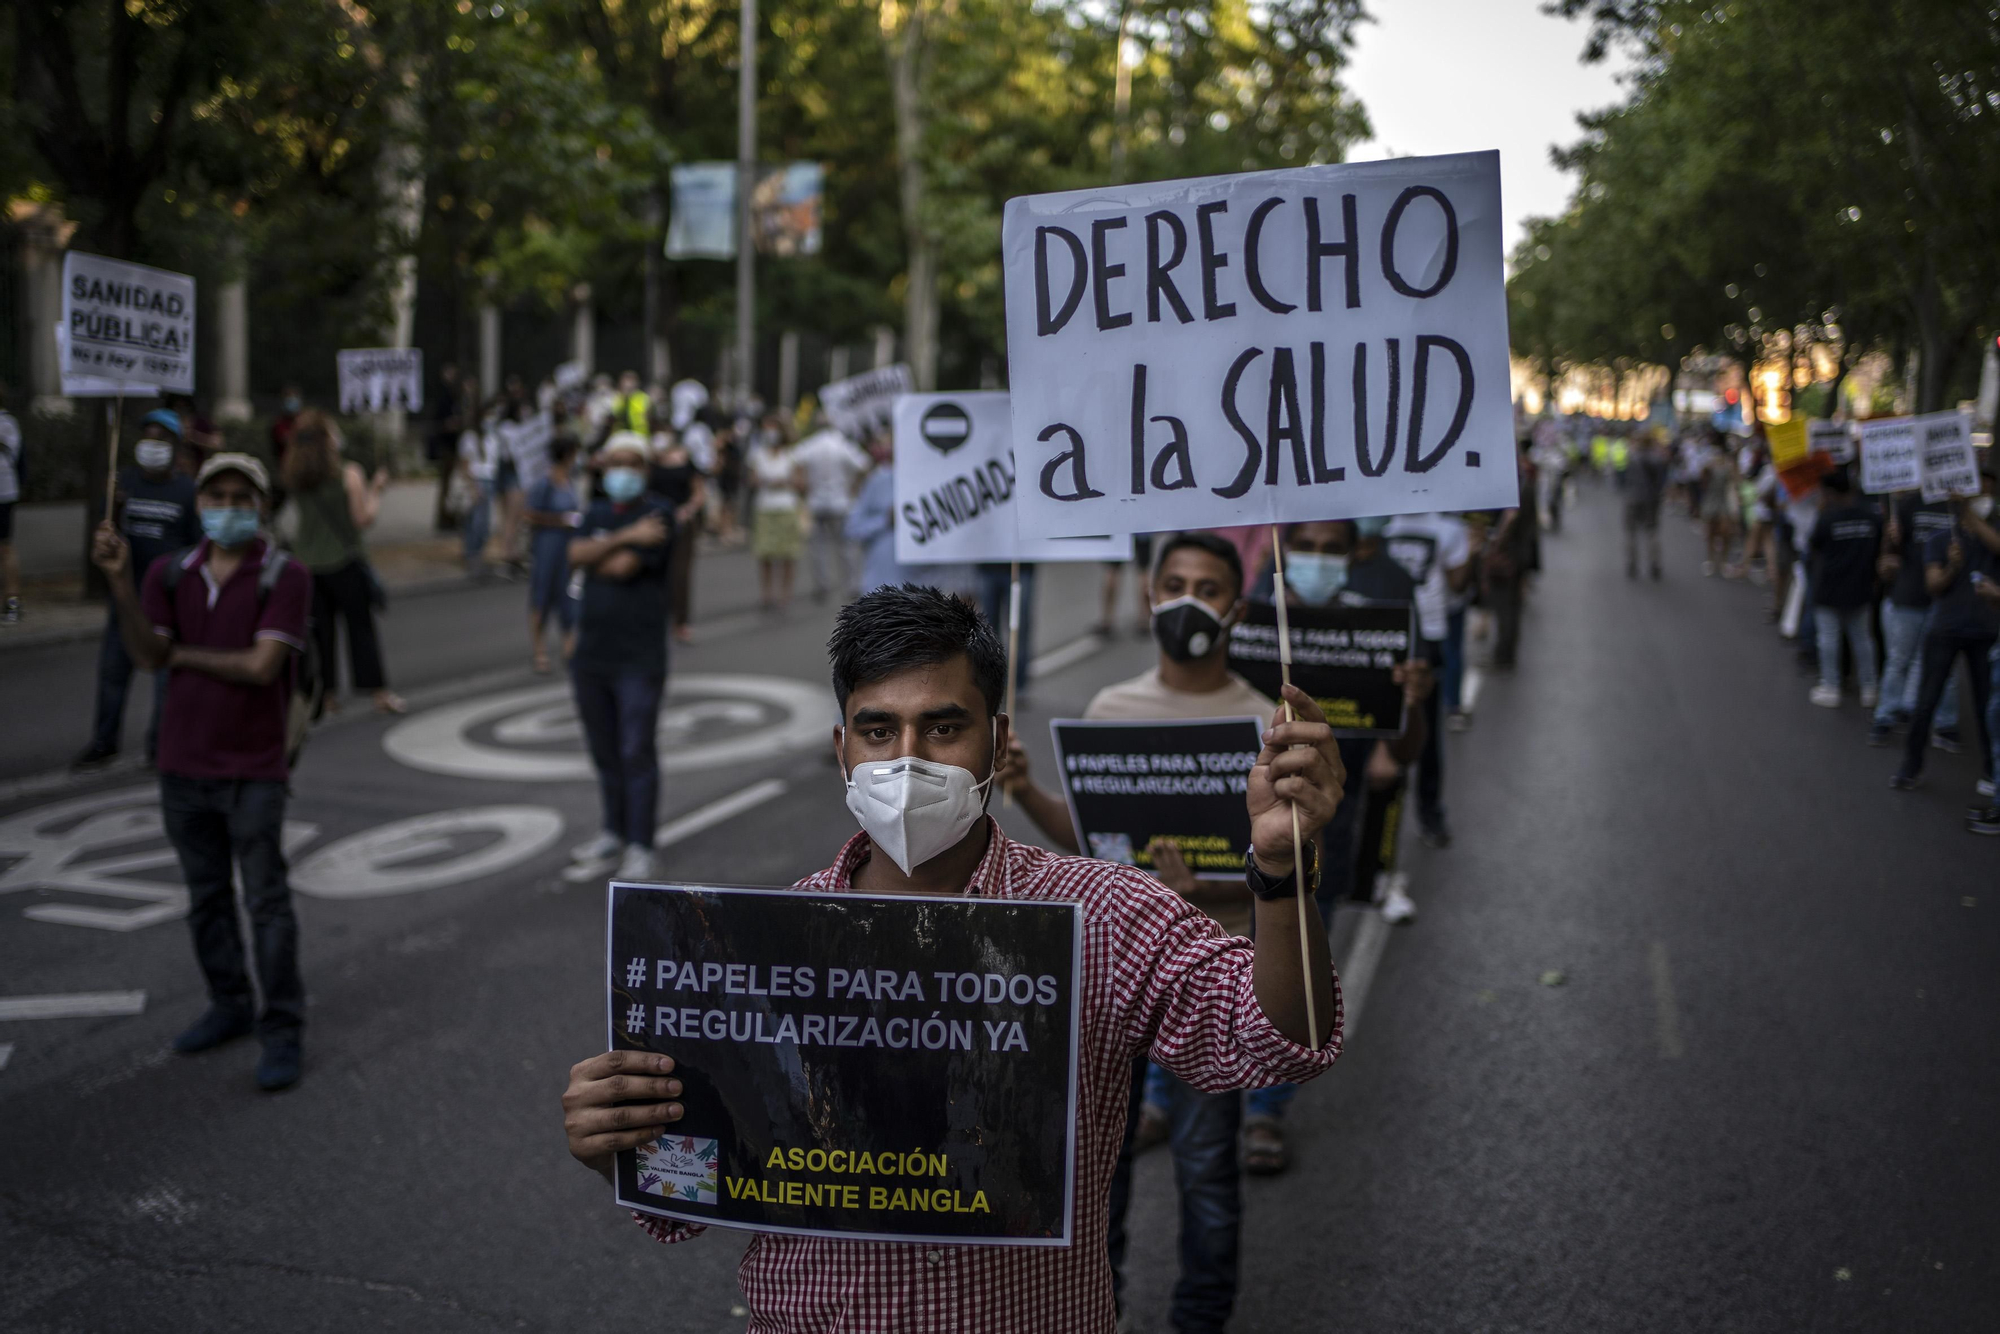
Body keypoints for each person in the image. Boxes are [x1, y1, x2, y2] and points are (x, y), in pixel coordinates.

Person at [559, 583, 1344, 1331]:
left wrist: (1277, 870)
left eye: (942, 727)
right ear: (842, 749)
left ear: (998, 742)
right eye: (877, 730)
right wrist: (619, 1143)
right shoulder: (747, 948)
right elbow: (688, 1193)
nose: (907, 761)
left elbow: (1283, 1039)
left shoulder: (1102, 913)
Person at [996, 532, 1298, 1329]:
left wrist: (1211, 886)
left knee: (1204, 1169)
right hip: (1111, 983)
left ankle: (1200, 1318)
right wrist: (1027, 793)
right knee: (1101, 1171)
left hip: (1210, 981)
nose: (1188, 599)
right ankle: (1106, 1308)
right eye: (1174, 583)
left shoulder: (1265, 723)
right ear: (1148, 596)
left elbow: (1293, 865)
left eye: (1208, 585)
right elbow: (1096, 843)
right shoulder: (1111, 709)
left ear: (1236, 607)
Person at [89, 452, 312, 1091]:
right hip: (182, 767)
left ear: (262, 508)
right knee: (206, 899)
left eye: (244, 497)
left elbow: (262, 666)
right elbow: (144, 653)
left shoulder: (284, 575)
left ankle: (283, 1028)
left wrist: (180, 653)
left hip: (254, 770)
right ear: (200, 503)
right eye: (218, 496)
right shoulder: (168, 573)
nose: (230, 508)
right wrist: (121, 583)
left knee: (266, 903)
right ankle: (229, 1004)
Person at [564, 433, 675, 882]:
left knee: (635, 750)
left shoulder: (661, 513)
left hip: (638, 658)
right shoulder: (595, 510)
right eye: (615, 463)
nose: (622, 471)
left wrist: (601, 548)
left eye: (632, 463)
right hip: (591, 655)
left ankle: (641, 844)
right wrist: (626, 536)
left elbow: (619, 567)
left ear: (645, 470)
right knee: (604, 750)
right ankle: (613, 830)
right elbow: (574, 554)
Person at [75, 409, 201, 768]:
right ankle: (104, 741)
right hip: (127, 597)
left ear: (175, 447)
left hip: (169, 602)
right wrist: (111, 510)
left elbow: (197, 546)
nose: (153, 444)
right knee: (113, 673)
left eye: (162, 438)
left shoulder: (187, 491)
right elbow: (107, 536)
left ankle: (159, 747)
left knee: (166, 679)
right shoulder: (124, 483)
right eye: (148, 436)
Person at [282, 410, 403, 715]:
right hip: (344, 561)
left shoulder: (295, 475)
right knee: (360, 628)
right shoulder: (349, 474)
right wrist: (376, 490)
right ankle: (378, 692)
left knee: (321, 633)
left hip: (308, 564)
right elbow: (362, 519)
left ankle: (327, 694)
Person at [1891, 474, 2000, 793]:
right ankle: (1910, 766)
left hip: (1983, 632)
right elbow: (1933, 585)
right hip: (1945, 629)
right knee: (1926, 701)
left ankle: (1992, 772)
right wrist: (1953, 567)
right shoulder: (1941, 539)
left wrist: (1969, 514)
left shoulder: (1989, 536)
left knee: (1986, 707)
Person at [1382, 511, 1471, 847]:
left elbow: (1458, 585)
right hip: (1385, 633)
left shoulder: (1449, 528)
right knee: (1383, 738)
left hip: (1429, 637)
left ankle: (1429, 812)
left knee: (1427, 735)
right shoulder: (1380, 523)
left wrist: (1472, 550)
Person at [1869, 493, 1959, 746]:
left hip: (1945, 598)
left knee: (1946, 667)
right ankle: (1885, 716)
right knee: (1899, 659)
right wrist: (1891, 536)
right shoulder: (1908, 503)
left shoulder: (1957, 506)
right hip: (1909, 594)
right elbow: (1890, 553)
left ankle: (1946, 723)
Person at [1804, 467, 1881, 709]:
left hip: (1830, 589)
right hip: (1861, 587)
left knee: (1829, 640)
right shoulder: (1872, 516)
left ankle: (1831, 685)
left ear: (1829, 492)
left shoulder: (1827, 517)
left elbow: (1813, 547)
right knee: (1863, 639)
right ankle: (1869, 687)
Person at [792, 422, 870, 601]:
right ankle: (851, 585)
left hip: (816, 502)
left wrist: (804, 486)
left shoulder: (811, 444)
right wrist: (854, 487)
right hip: (841, 502)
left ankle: (822, 585)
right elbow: (863, 465)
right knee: (846, 546)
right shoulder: (843, 444)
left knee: (818, 548)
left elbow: (795, 461)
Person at [647, 421, 707, 643]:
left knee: (680, 574)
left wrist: (687, 510)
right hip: (656, 522)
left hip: (682, 523)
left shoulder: (685, 460)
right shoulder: (650, 461)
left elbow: (699, 491)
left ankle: (680, 622)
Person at [525, 438, 582, 672]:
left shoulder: (569, 481)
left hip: (566, 546)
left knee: (568, 596)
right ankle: (540, 652)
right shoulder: (544, 484)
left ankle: (569, 648)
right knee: (542, 596)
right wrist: (559, 521)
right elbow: (529, 514)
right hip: (547, 545)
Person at [746, 419, 804, 610]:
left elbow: (801, 482)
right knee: (765, 553)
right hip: (765, 508)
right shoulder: (758, 455)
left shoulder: (791, 455)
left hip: (786, 507)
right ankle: (767, 594)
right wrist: (764, 481)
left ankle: (785, 594)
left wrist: (784, 482)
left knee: (788, 553)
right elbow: (751, 480)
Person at [456, 386, 497, 578]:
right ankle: (472, 556)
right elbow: (464, 465)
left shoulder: (492, 437)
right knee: (477, 523)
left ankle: (477, 554)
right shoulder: (470, 437)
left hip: (489, 480)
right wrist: (473, 487)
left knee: (484, 523)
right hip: (478, 481)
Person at [1622, 428, 1671, 580]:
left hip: (1633, 498)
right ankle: (1654, 564)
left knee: (1631, 533)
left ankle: (1632, 563)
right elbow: (1662, 480)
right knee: (1651, 532)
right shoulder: (1657, 459)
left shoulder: (1632, 456)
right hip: (1651, 499)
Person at [429, 362, 465, 532]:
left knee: (452, 484)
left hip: (453, 444)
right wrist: (449, 424)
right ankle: (443, 517)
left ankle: (449, 516)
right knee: (445, 484)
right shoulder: (442, 395)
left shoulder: (454, 394)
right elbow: (438, 421)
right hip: (446, 445)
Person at [0, 380, 20, 623]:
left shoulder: (7, 423)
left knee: (4, 548)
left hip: (3, 493)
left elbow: (12, 452)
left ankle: (12, 603)